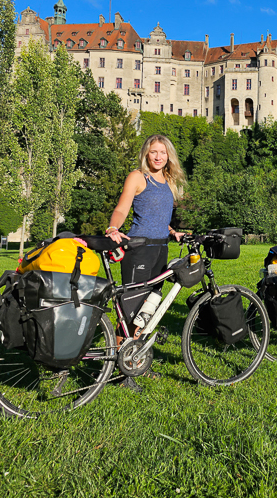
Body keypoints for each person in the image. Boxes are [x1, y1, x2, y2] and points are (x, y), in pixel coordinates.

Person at [105, 134, 186, 390]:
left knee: (147, 312)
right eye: (154, 152)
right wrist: (113, 227)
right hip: (139, 250)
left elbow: (158, 215)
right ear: (146, 154)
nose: (158, 156)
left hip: (161, 250)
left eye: (163, 152)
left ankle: (135, 361)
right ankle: (119, 371)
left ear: (168, 155)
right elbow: (122, 208)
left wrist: (173, 231)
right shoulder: (138, 177)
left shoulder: (168, 181)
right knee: (130, 311)